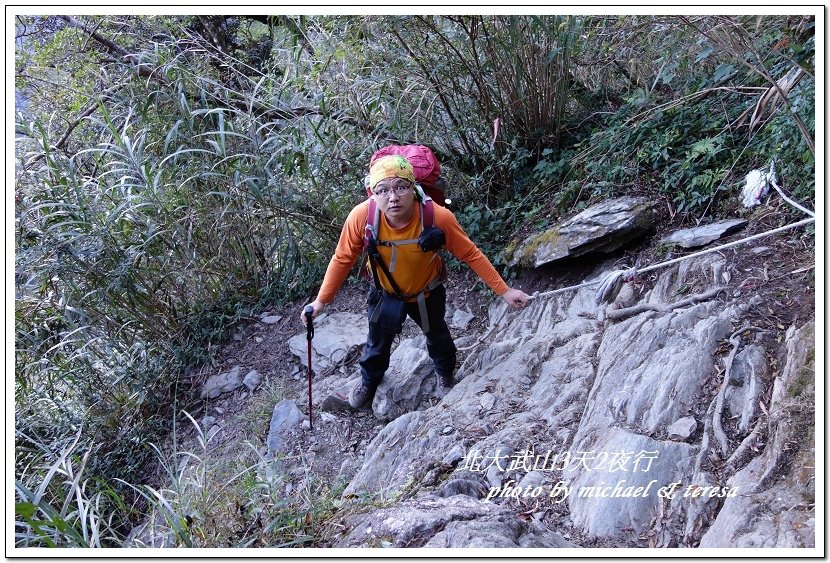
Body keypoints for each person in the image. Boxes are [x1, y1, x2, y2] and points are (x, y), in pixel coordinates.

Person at [301, 154, 530, 409]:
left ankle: (445, 375)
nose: (393, 197)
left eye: (401, 187)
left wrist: (504, 291)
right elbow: (342, 258)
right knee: (377, 342)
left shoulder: (437, 217)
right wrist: (321, 301)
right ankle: (368, 382)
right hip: (384, 292)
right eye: (383, 190)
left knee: (438, 337)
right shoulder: (362, 218)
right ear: (373, 193)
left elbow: (470, 254)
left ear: (414, 187)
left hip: (427, 293)